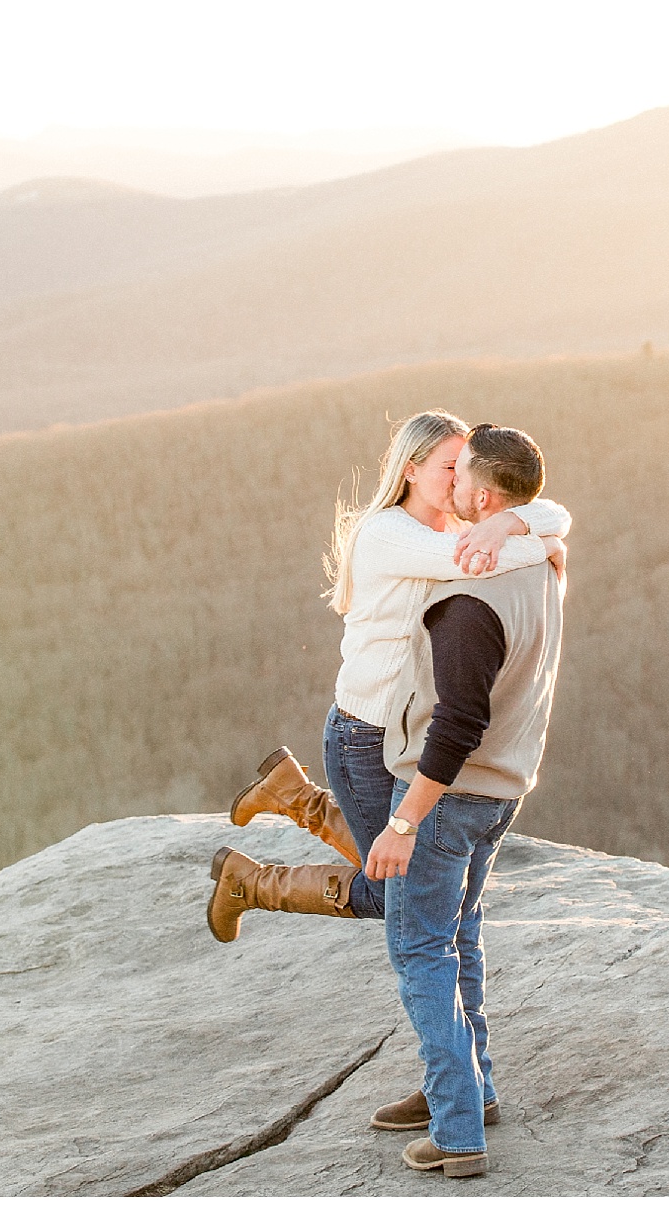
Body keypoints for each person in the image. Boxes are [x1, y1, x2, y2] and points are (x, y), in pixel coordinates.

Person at [205, 410, 567, 936]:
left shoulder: (463, 527)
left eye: (466, 466)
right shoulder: (391, 534)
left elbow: (551, 510)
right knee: (392, 890)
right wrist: (542, 543)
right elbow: (510, 550)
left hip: (404, 729)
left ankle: (292, 796)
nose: (463, 478)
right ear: (411, 471)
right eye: (451, 466)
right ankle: (250, 882)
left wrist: (511, 520)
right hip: (366, 735)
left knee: (406, 865)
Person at [359, 423, 567, 1178]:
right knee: (461, 938)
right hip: (506, 789)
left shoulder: (467, 598)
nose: (449, 491)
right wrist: (522, 518)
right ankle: (472, 1091)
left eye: (459, 480)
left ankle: (456, 1133)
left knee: (420, 950)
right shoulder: (544, 562)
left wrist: (402, 820)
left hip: (450, 799)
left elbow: (456, 727)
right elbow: (550, 522)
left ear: (483, 494)